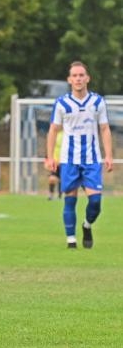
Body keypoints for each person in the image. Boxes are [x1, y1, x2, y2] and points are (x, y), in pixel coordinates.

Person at [45, 61, 113, 249]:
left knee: (96, 200)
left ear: (87, 78)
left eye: (81, 75)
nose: (78, 79)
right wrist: (50, 157)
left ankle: (87, 225)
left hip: (92, 159)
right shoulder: (62, 103)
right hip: (69, 160)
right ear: (69, 79)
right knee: (70, 199)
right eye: (74, 76)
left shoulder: (97, 102)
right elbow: (53, 130)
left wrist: (108, 155)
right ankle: (71, 240)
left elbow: (105, 128)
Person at [47, 130, 63, 200]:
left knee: (63, 179)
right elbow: (49, 146)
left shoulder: (67, 133)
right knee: (52, 178)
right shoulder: (54, 133)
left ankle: (60, 195)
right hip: (55, 161)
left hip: (65, 161)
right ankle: (51, 194)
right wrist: (49, 159)